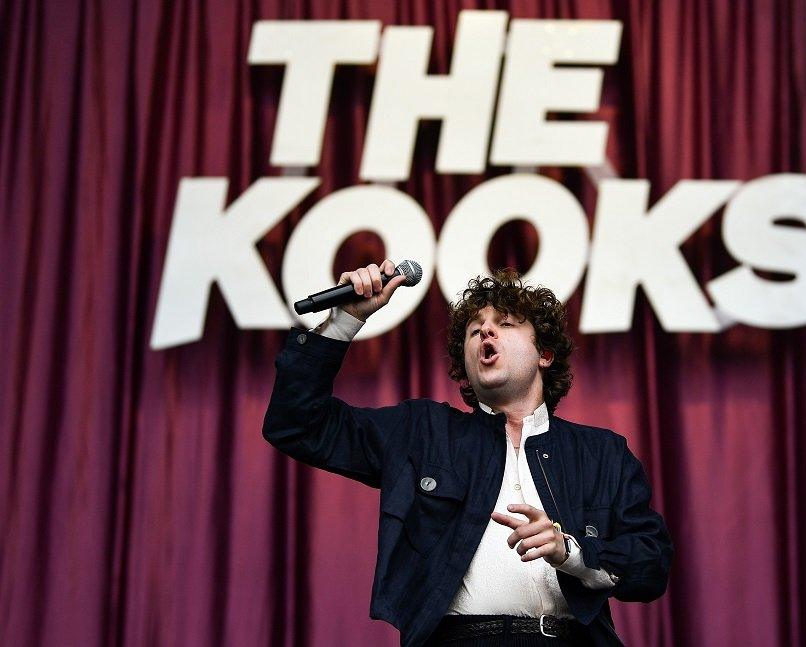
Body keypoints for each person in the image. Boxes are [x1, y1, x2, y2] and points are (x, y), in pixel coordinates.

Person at [263, 260, 673, 646]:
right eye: (475, 330)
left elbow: (652, 564)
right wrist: (344, 320)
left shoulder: (602, 453)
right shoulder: (421, 432)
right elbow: (298, 425)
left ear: (544, 355)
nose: (485, 334)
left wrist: (571, 552)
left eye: (505, 324)